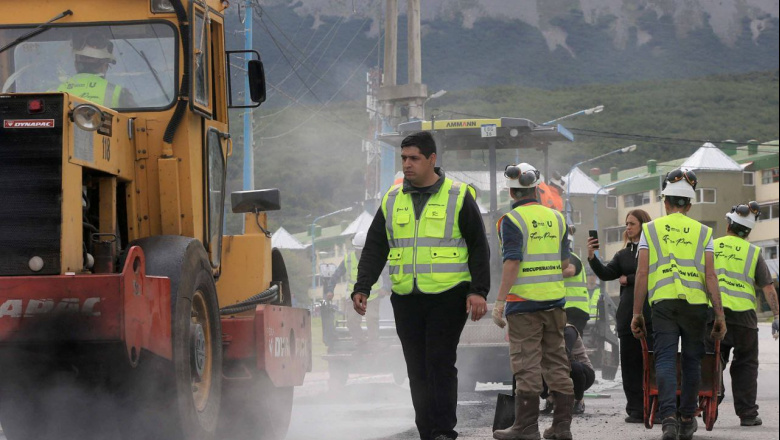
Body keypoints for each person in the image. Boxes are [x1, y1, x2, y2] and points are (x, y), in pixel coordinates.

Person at [351, 131, 491, 440]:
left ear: (431, 159)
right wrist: (362, 286)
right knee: (416, 368)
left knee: (439, 361)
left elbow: (479, 246)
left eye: (414, 158)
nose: (407, 164)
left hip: (448, 295)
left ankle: (444, 430)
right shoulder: (392, 198)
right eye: (403, 158)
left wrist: (478, 291)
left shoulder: (457, 195)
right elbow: (376, 247)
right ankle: (427, 431)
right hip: (406, 297)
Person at [630, 168, 726, 440]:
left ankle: (668, 419)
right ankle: (686, 418)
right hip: (696, 306)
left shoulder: (650, 229)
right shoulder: (704, 232)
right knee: (693, 362)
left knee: (665, 359)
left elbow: (642, 273)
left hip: (663, 304)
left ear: (665, 201)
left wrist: (637, 313)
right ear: (690, 204)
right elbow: (710, 275)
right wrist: (719, 316)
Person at [491, 162, 575, 440]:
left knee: (527, 364)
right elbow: (565, 263)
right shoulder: (558, 219)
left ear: (512, 192)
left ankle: (526, 427)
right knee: (557, 362)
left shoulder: (511, 221)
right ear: (537, 189)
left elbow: (512, 262)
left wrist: (500, 301)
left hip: (523, 305)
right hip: (554, 304)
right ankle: (562, 427)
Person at [705, 202, 780, 426]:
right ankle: (747, 414)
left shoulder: (711, 246)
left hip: (714, 314)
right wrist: (777, 316)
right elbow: (768, 287)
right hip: (745, 317)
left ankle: (711, 399)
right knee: (746, 365)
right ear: (748, 231)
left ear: (729, 224)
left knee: (712, 359)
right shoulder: (754, 252)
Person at [586, 209, 653, 423]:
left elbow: (655, 273)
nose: (628, 227)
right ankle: (635, 409)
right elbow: (606, 274)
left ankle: (654, 405)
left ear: (644, 225)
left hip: (651, 314)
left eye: (632, 223)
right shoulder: (623, 254)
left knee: (651, 362)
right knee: (630, 363)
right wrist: (592, 257)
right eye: (626, 223)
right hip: (626, 316)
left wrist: (629, 279)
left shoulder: (653, 250)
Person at [331, 231, 389, 345]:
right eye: (358, 249)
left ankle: (374, 345)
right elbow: (336, 275)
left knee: (372, 320)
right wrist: (329, 289)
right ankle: (362, 343)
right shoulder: (348, 259)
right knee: (352, 322)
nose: (360, 252)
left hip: (372, 296)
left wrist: (386, 288)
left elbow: (387, 274)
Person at [57, 31, 135, 108]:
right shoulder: (119, 93)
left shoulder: (54, 91)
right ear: (105, 66)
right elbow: (136, 117)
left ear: (76, 65)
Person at [540, 324, 595, 416]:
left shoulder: (569, 330)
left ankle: (578, 400)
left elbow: (563, 355)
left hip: (582, 374)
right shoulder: (541, 331)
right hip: (554, 371)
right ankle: (550, 399)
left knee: (574, 366)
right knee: (529, 368)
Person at [563, 229, 590, 336]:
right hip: (572, 308)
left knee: (570, 343)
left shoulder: (571, 257)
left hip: (573, 308)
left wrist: (549, 272)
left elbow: (570, 270)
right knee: (574, 345)